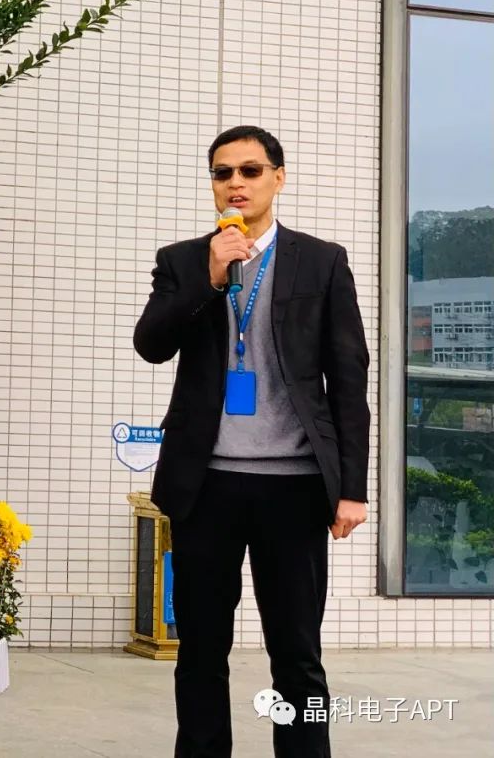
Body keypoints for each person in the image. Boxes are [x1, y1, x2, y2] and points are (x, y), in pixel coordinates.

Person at [133, 126, 370, 758]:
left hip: (295, 487)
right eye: (222, 173)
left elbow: (349, 378)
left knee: (297, 654)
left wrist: (351, 488)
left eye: (250, 170)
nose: (236, 183)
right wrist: (209, 278)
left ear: (277, 178)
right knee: (200, 651)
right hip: (205, 484)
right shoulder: (183, 260)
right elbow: (151, 344)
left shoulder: (321, 261)